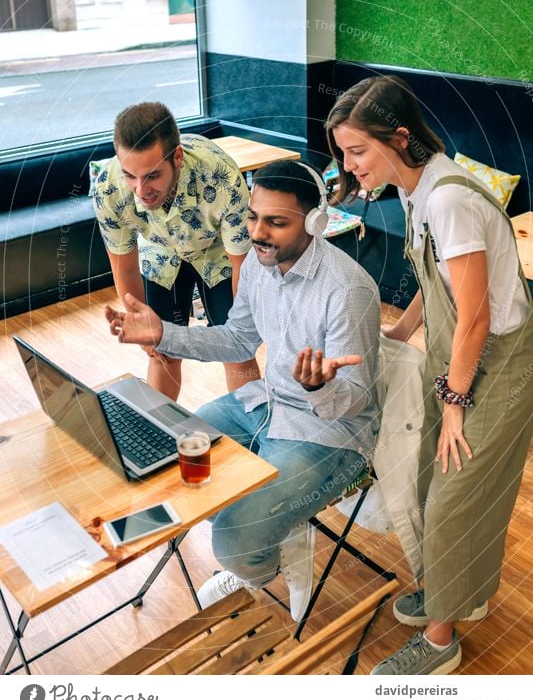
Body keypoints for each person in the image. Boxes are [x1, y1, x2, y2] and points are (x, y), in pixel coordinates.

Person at [104, 159, 381, 621]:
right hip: (264, 404)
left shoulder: (348, 290)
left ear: (315, 221)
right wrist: (163, 334)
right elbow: (237, 339)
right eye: (253, 217)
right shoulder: (258, 263)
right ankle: (272, 528)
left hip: (331, 432)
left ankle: (257, 559)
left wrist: (317, 387)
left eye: (276, 222)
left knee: (233, 541)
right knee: (170, 460)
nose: (257, 232)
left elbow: (353, 398)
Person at [326, 74, 533, 675]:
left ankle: (440, 643)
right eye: (343, 152)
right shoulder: (415, 190)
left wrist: (454, 402)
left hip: (500, 364)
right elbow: (433, 278)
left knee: (454, 499)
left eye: (358, 151)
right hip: (462, 357)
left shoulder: (448, 199)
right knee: (425, 480)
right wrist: (399, 333)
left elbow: (475, 317)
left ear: (400, 137)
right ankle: (457, 591)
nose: (350, 164)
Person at [93, 101, 259, 400]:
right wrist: (141, 326)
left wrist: (238, 330)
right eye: (130, 175)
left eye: (153, 176)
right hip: (160, 252)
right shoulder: (108, 188)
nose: (141, 190)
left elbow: (242, 266)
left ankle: (251, 436)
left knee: (237, 350)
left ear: (177, 157)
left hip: (216, 251)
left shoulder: (223, 178)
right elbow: (124, 267)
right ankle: (158, 439)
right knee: (161, 353)